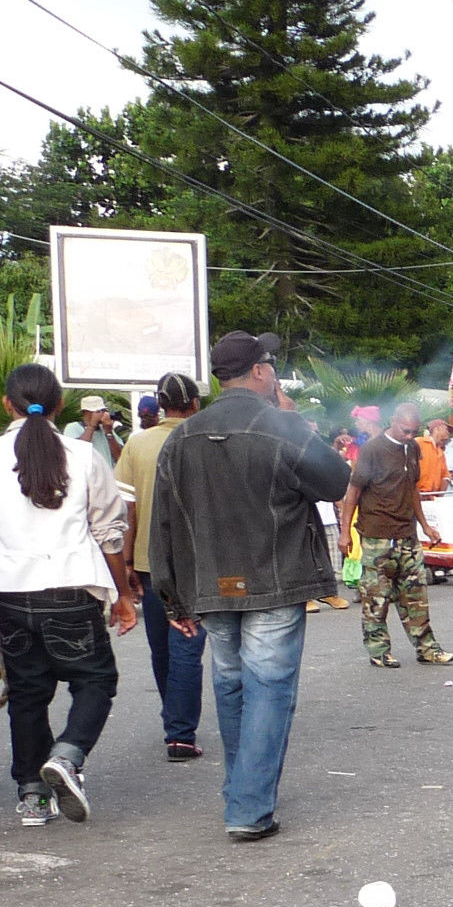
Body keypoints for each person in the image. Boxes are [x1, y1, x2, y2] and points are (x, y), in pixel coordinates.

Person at [151, 333, 352, 841]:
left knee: (232, 685)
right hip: (274, 578)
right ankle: (247, 807)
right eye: (272, 366)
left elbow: (165, 523)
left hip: (210, 583)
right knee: (267, 690)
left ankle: (241, 791)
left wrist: (171, 594)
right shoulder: (281, 427)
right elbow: (336, 480)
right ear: (260, 372)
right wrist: (293, 420)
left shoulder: (181, 436)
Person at [0, 363, 137, 826]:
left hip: (11, 591)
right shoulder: (83, 455)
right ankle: (67, 758)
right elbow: (110, 531)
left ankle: (32, 794)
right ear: (58, 406)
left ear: (5, 404)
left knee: (28, 693)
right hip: (73, 587)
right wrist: (123, 593)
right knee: (95, 681)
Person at [114, 372, 208, 760]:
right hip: (200, 560)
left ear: (160, 404)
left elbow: (127, 511)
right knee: (188, 638)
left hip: (150, 561)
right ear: (195, 404)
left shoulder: (137, 444)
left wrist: (128, 562)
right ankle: (180, 733)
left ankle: (174, 719)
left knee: (161, 645)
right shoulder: (207, 439)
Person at [337, 405, 453, 670]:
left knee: (415, 596)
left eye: (413, 432)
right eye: (405, 431)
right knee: (376, 598)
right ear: (393, 422)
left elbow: (411, 487)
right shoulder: (372, 450)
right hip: (377, 536)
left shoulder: (412, 448)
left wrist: (425, 525)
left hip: (407, 535)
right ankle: (379, 651)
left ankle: (427, 649)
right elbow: (353, 492)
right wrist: (345, 533)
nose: (408, 436)